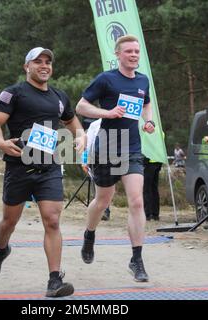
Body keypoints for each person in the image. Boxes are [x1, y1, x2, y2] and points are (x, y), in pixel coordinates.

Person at [0, 47, 85, 298]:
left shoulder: (59, 97)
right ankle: (1, 249)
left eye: (48, 62)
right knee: (9, 221)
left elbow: (73, 123)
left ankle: (54, 280)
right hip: (19, 166)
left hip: (49, 166)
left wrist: (81, 137)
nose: (44, 65)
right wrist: (0, 142)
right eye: (38, 61)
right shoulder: (13, 93)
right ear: (26, 66)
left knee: (52, 220)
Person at [75, 35, 155, 282]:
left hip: (131, 147)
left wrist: (148, 120)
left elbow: (146, 104)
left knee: (137, 202)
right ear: (118, 54)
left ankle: (137, 259)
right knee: (102, 200)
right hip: (107, 147)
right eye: (129, 51)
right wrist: (106, 113)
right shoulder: (106, 79)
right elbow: (81, 107)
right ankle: (89, 234)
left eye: (136, 51)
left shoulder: (143, 80)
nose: (134, 55)